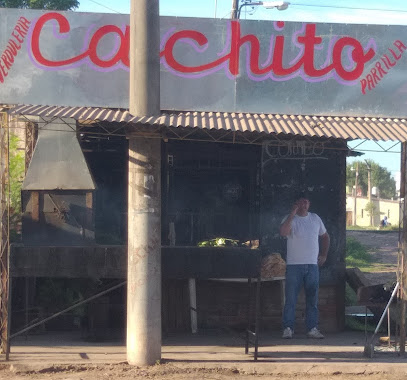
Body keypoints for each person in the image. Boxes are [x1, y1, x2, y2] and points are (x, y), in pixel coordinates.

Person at [279, 196, 330, 339]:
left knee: (312, 299)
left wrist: (324, 255)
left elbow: (325, 236)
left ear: (309, 204)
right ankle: (288, 328)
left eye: (306, 202)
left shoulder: (315, 218)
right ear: (296, 203)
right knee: (290, 299)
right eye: (301, 202)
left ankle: (312, 328)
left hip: (312, 265)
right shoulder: (290, 219)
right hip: (294, 265)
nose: (304, 204)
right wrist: (292, 213)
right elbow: (283, 232)